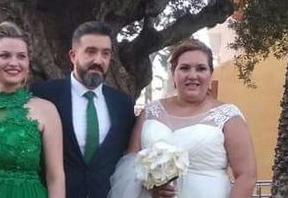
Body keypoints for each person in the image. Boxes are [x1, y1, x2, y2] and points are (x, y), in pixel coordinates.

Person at [108, 39, 257, 198]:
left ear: (210, 74)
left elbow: (246, 176)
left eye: (201, 68)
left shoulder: (228, 116)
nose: (193, 76)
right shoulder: (150, 112)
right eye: (184, 68)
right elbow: (131, 162)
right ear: (173, 74)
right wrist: (149, 184)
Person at [0, 22, 65, 198]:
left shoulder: (46, 110)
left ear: (28, 62)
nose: (14, 63)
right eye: (5, 55)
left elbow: (55, 177)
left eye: (21, 56)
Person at [31, 21, 136, 198]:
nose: (98, 60)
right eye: (91, 52)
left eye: (105, 54)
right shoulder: (43, 95)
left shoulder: (123, 104)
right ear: (73, 55)